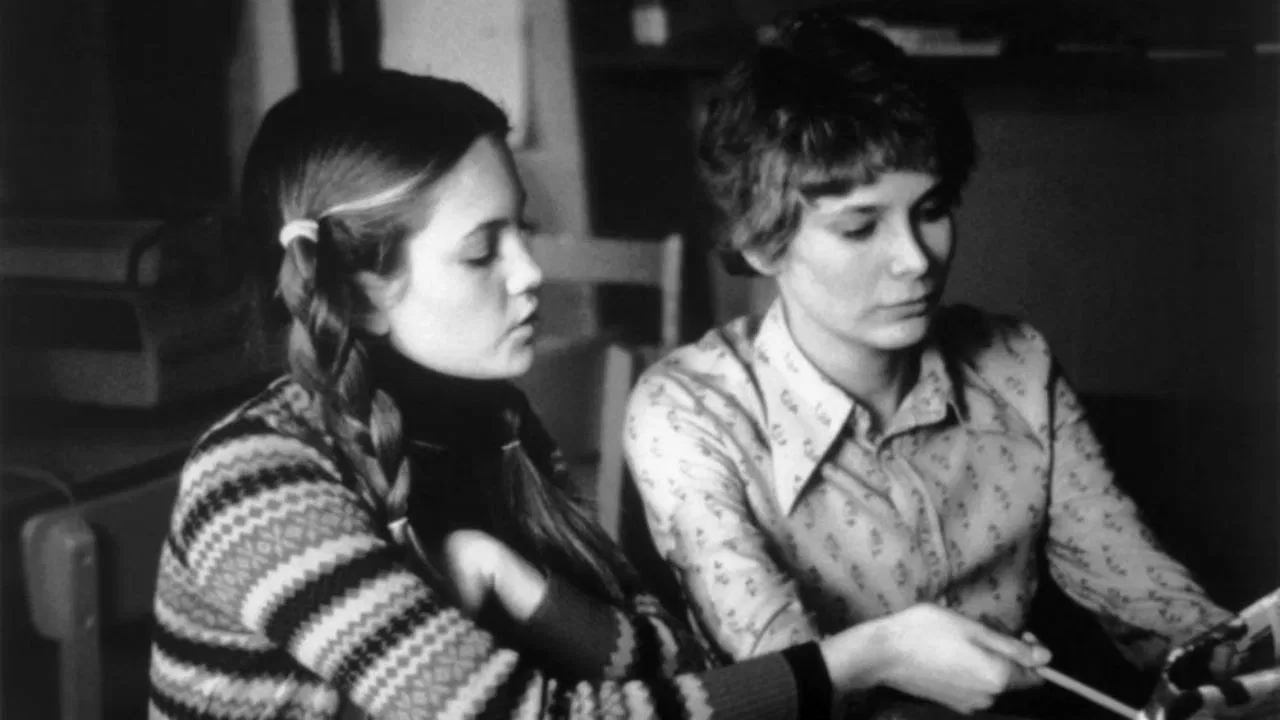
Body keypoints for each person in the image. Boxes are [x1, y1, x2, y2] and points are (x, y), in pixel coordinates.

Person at [146, 70, 1052, 720]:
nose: (530, 272)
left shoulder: (487, 422)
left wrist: (508, 579)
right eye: (482, 250)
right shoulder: (260, 481)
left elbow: (663, 652)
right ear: (356, 293)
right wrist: (868, 656)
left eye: (523, 232)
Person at [622, 7, 1233, 716]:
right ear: (761, 244)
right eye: (860, 227)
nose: (916, 259)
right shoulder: (688, 414)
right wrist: (886, 653)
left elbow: (1133, 582)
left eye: (933, 209)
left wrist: (1238, 664)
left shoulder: (1015, 364)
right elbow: (778, 669)